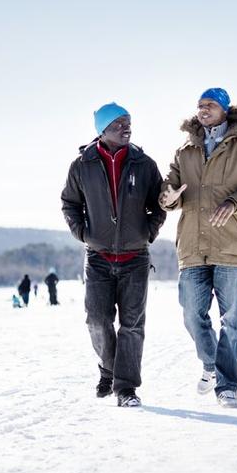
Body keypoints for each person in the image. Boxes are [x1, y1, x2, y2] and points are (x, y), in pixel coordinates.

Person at [159, 88, 237, 409]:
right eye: (199, 105)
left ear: (225, 109)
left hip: (234, 243)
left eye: (209, 105)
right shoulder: (186, 149)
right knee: (192, 314)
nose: (202, 110)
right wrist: (167, 198)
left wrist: (235, 202)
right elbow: (170, 187)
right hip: (193, 246)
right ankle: (211, 364)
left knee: (231, 320)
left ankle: (227, 387)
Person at [61, 102, 166, 408]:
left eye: (129, 123)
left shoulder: (144, 163)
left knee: (132, 325)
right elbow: (69, 203)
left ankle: (126, 389)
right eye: (119, 124)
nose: (126, 128)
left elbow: (159, 204)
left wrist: (147, 232)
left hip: (135, 258)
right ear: (102, 130)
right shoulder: (82, 165)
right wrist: (84, 234)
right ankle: (109, 368)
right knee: (97, 320)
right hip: (98, 259)